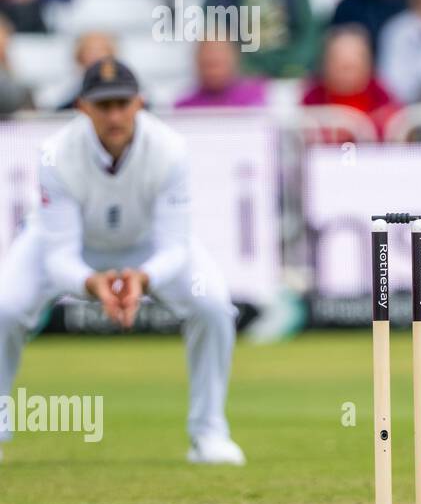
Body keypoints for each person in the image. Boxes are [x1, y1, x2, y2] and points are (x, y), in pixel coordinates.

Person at [0, 57, 244, 465]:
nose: (114, 115)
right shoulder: (54, 154)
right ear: (82, 107)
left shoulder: (171, 150)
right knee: (4, 309)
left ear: (139, 103)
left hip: (147, 248)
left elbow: (175, 246)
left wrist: (142, 277)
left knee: (213, 305)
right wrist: (91, 283)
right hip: (65, 245)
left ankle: (209, 433)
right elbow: (59, 255)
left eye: (122, 103)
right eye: (103, 105)